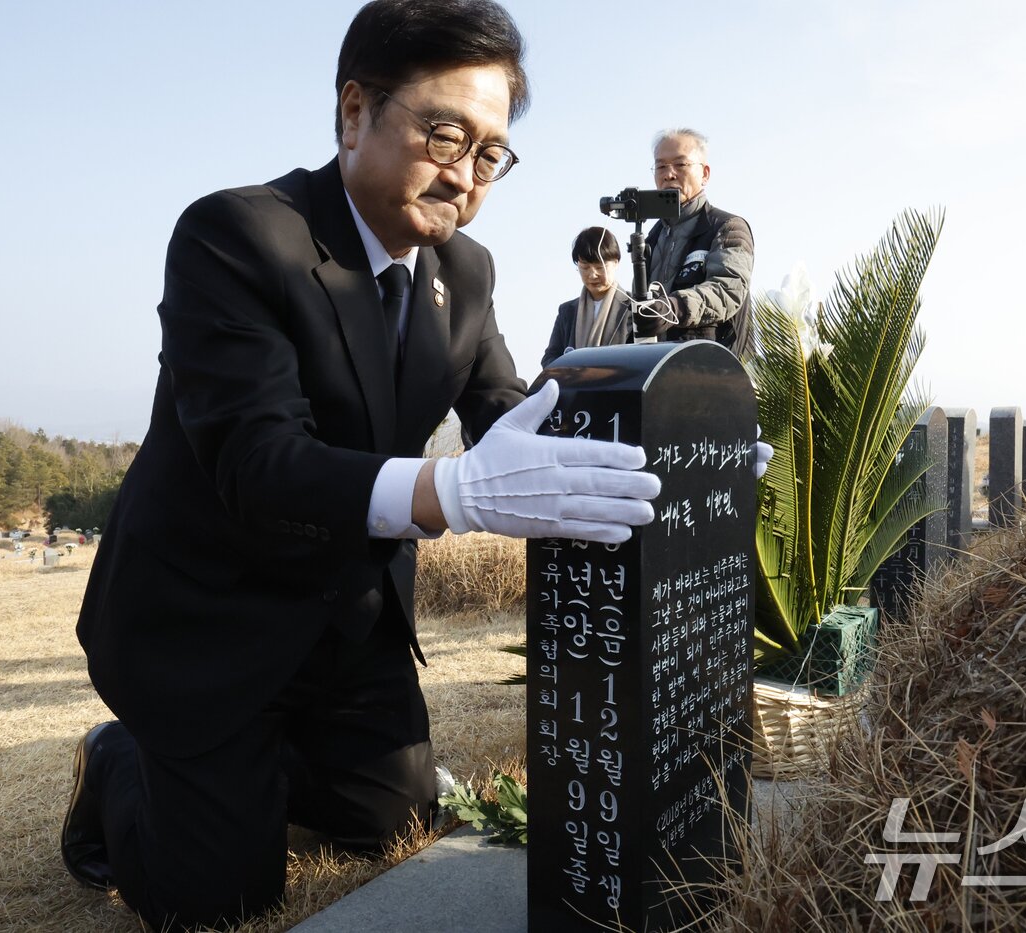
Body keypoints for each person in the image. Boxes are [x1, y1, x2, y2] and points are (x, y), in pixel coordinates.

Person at [58, 2, 661, 929]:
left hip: (345, 627)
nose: (465, 173)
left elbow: (513, 411)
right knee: (222, 900)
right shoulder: (238, 236)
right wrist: (448, 491)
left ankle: (263, 761)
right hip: (207, 622)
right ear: (354, 114)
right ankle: (120, 761)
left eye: (491, 151)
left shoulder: (466, 272)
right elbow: (258, 460)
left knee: (393, 822)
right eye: (444, 132)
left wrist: (674, 441)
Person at [636, 128, 755, 356]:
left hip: (714, 370)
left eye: (680, 165)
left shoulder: (727, 227)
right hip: (657, 369)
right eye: (661, 166)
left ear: (705, 173)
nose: (669, 174)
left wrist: (674, 307)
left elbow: (726, 289)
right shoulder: (650, 238)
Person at [540, 226, 632, 368]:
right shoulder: (567, 311)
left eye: (600, 267)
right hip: (576, 388)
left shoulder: (634, 307)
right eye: (585, 267)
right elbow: (549, 358)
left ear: (616, 263)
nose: (592, 275)